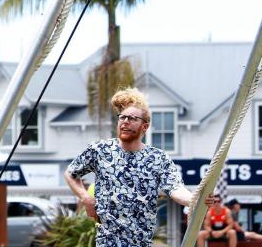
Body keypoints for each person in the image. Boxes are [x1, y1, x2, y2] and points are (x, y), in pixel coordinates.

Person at [65, 87, 214, 247]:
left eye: (132, 118)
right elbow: (71, 173)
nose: (125, 122)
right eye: (122, 117)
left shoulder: (158, 158)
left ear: (145, 126)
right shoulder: (100, 150)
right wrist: (85, 197)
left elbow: (176, 189)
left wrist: (194, 199)